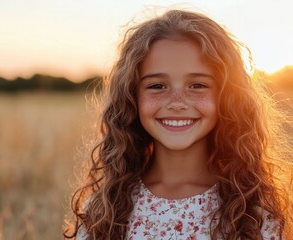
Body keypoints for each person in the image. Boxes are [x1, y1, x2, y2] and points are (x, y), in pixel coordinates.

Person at [64, 9, 293, 239]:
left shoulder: (253, 213)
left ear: (226, 96)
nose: (177, 103)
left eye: (197, 85)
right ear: (132, 96)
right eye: (157, 86)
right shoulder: (104, 209)